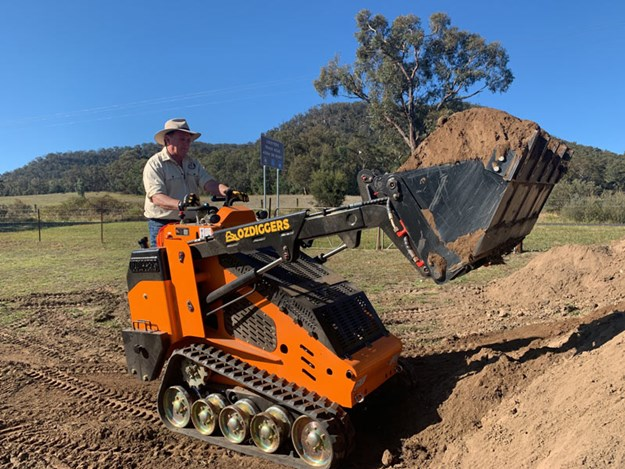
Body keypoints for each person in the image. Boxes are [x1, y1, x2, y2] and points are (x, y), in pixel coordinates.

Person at [143, 117, 244, 247]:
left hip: (192, 223)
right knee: (169, 264)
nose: (186, 144)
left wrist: (228, 192)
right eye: (182, 139)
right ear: (167, 140)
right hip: (163, 224)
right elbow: (156, 197)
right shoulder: (155, 164)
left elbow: (208, 183)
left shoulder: (192, 163)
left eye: (188, 140)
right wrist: (181, 204)